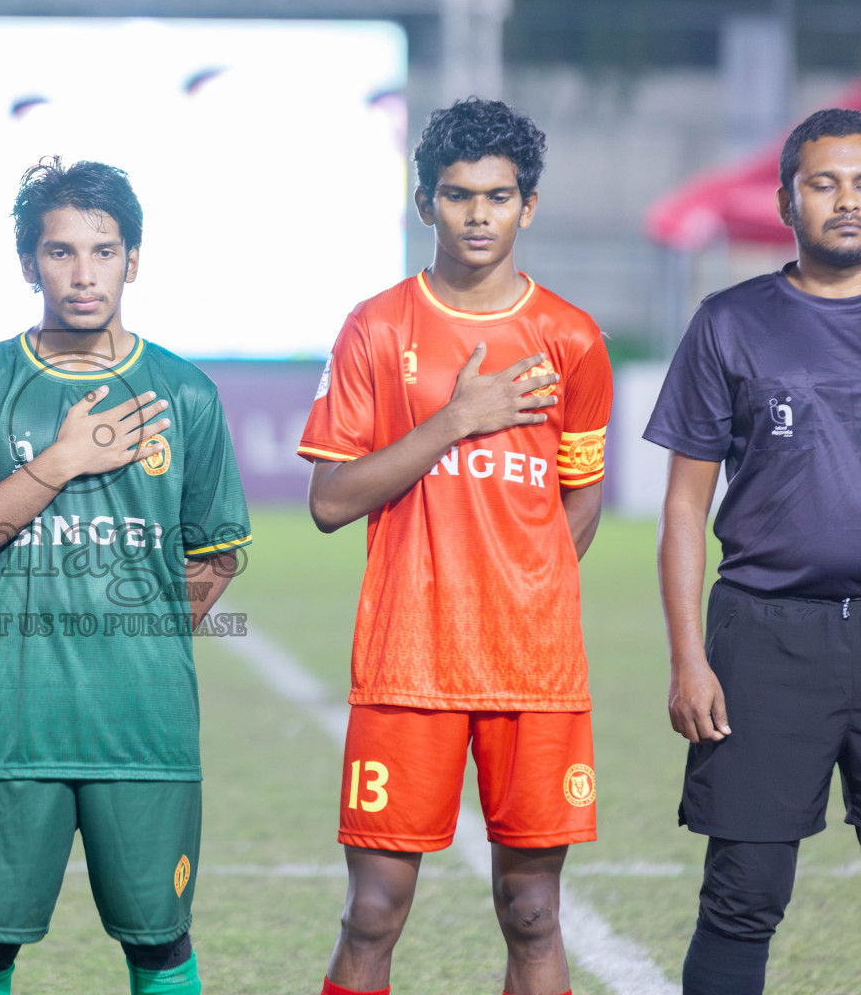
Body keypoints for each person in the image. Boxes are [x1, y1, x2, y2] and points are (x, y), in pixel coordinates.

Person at [0, 157, 251, 995]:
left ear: (134, 258)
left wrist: (145, 636)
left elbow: (216, 548)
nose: (84, 273)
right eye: (60, 252)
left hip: (144, 732)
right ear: (28, 263)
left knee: (160, 946)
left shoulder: (186, 393)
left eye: (104, 251)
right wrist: (59, 463)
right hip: (7, 723)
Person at [298, 98, 613, 995]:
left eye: (499, 196)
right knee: (372, 915)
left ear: (529, 206)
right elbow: (329, 501)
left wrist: (525, 591)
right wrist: (456, 420)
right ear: (423, 202)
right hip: (409, 665)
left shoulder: (572, 338)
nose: (479, 215)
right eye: (458, 195)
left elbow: (578, 501)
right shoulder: (379, 326)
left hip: (535, 672)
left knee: (533, 914)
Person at [645, 106, 861, 995]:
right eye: (824, 183)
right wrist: (689, 658)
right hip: (768, 639)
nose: (847, 200)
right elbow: (685, 508)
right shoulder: (731, 322)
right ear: (786, 200)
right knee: (744, 897)